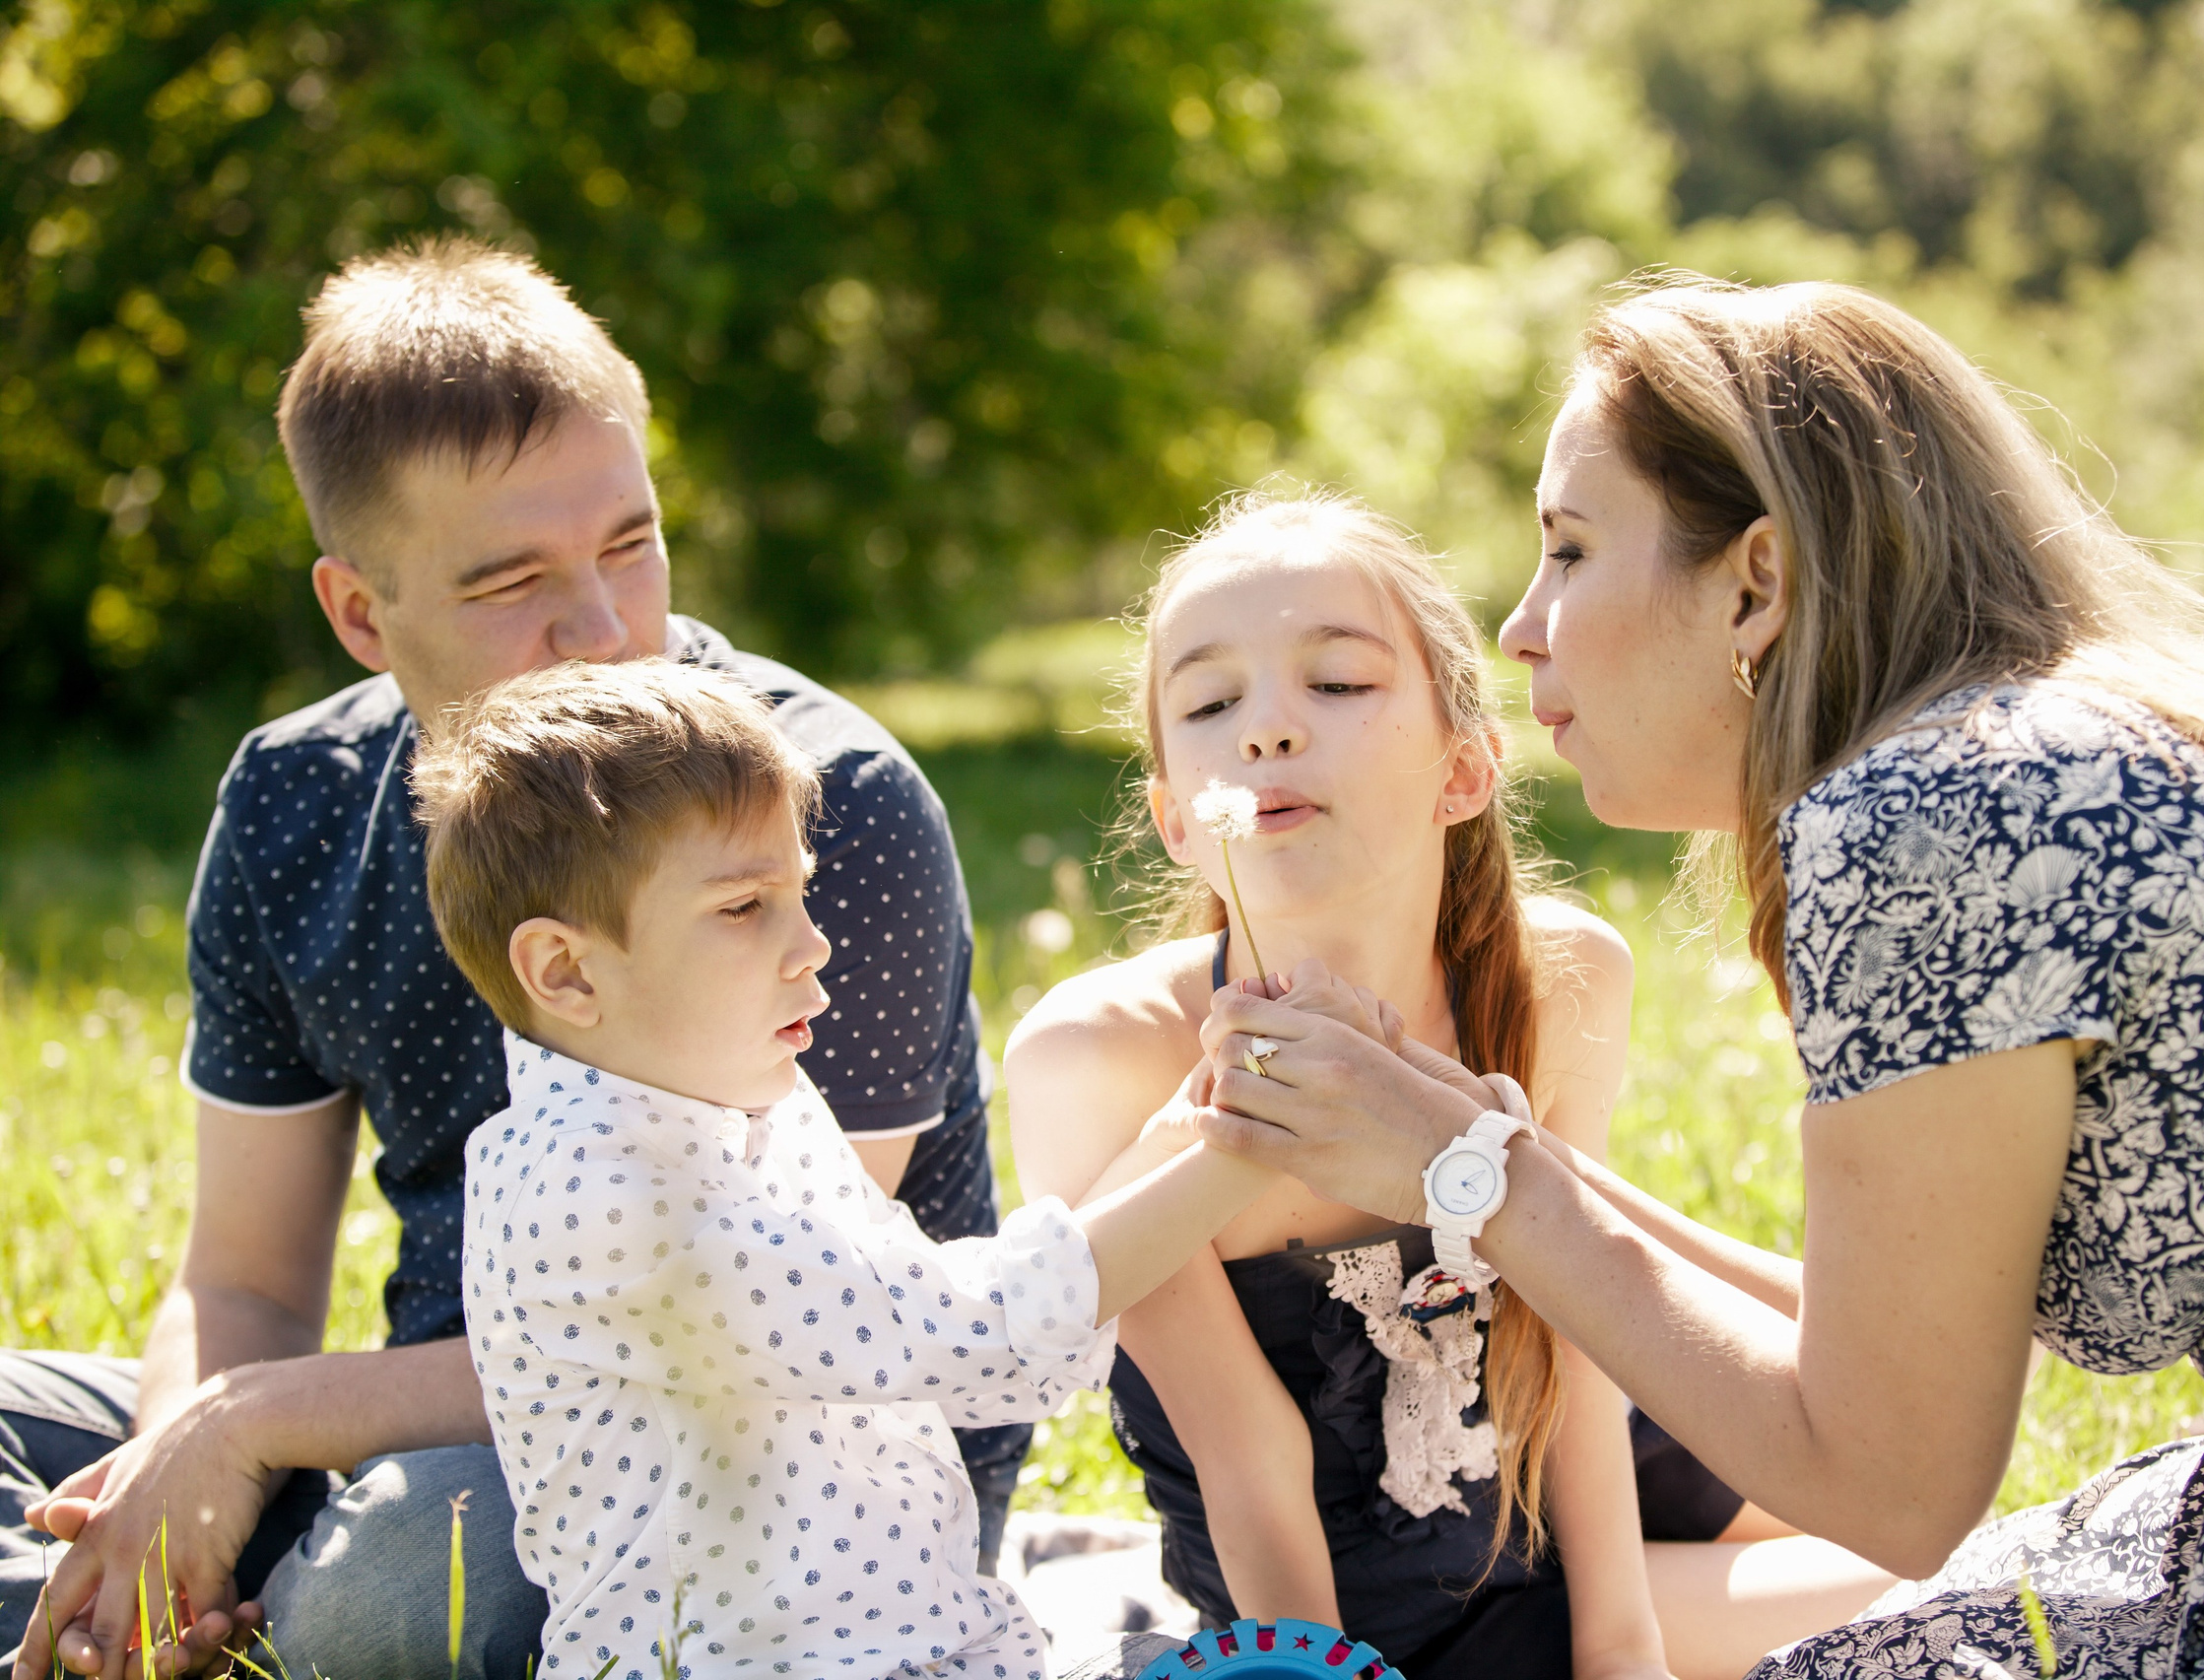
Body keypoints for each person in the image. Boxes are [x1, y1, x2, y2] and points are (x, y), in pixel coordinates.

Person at [1187, 277, 2204, 1677]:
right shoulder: (2044, 749)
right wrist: (1483, 1139)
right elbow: (1890, 1341)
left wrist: (1478, 1180)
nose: (1523, 628)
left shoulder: (1935, 821)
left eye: (1573, 551)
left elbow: (1891, 1485)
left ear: (1756, 581)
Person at [3, 237, 1028, 1680]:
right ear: (362, 612)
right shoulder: (295, 804)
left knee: (401, 1588)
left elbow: (728, 1332)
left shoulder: (816, 804)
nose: (607, 632)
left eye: (631, 542)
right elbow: (240, 1279)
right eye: (514, 582)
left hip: (773, 1480)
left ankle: (228, 1610)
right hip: (416, 1420)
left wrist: (253, 1430)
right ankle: (174, 1606)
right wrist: (167, 1493)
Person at [1005, 492, 1889, 1680]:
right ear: (1173, 818)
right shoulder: (1100, 1055)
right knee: (1945, 1587)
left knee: (1916, 1512)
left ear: (1462, 770)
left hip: (1567, 1462)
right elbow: (1248, 1448)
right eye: (1212, 703)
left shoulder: (1562, 978)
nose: (1266, 729)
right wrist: (1323, 1670)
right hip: (1382, 1605)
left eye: (1339, 684)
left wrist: (1620, 1650)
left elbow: (1579, 1352)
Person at [417, 657, 1278, 1679]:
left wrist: (1204, 1112)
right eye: (744, 908)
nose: (813, 945)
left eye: (799, 894)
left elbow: (993, 1343)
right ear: (565, 971)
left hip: (927, 1647)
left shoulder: (760, 1101)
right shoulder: (600, 1194)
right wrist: (1252, 1137)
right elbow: (977, 1335)